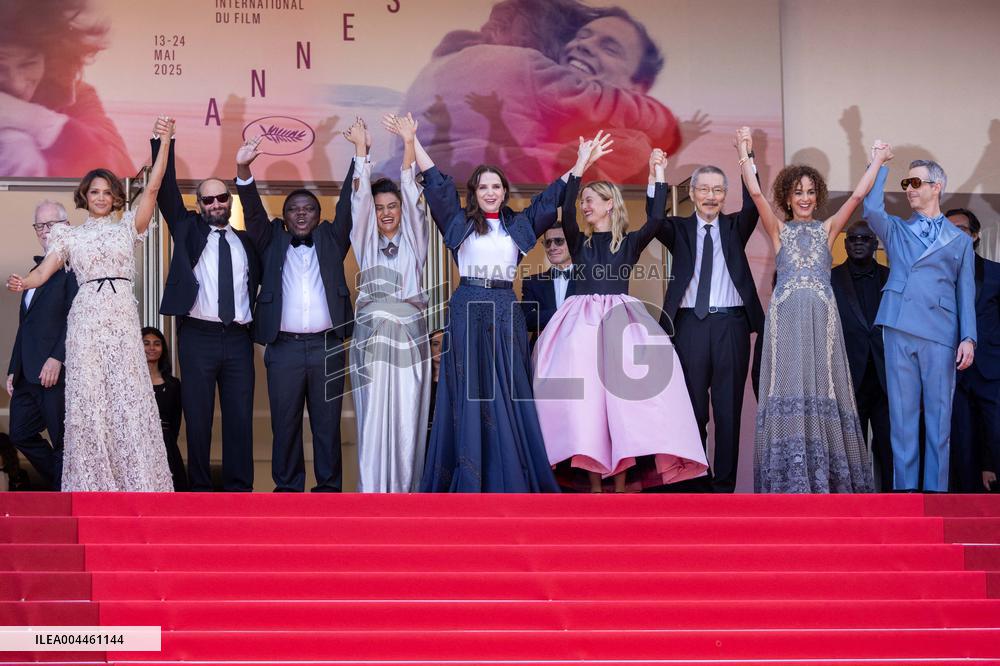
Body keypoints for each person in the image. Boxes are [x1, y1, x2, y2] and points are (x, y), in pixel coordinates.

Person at [415, 133, 603, 493]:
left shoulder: (519, 226)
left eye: (496, 186)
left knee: (507, 389)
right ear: (474, 191)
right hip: (467, 306)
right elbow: (437, 186)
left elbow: (551, 198)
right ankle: (469, 476)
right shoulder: (459, 223)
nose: (490, 192)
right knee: (470, 391)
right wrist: (413, 140)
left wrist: (580, 164)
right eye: (483, 186)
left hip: (504, 310)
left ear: (504, 191)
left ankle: (508, 476)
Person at [5, 117, 175, 492]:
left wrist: (165, 143)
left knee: (127, 395)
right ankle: (93, 483)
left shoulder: (128, 228)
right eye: (94, 191)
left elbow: (154, 189)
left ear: (116, 197)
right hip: (86, 319)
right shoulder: (69, 235)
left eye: (107, 192)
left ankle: (138, 481)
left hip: (120, 316)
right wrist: (23, 282)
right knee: (90, 398)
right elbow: (43, 273)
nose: (100, 197)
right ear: (85, 195)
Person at [533, 148, 708, 492]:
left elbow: (656, 221)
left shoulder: (628, 244)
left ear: (610, 204)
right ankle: (596, 485)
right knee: (587, 408)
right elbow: (565, 210)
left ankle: (623, 483)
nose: (585, 206)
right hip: (580, 328)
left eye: (593, 200)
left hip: (621, 327)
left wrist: (656, 175)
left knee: (624, 406)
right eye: (584, 200)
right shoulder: (578, 241)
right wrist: (579, 167)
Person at [738, 126, 881, 493]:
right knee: (786, 387)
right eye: (797, 192)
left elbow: (859, 194)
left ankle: (828, 478)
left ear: (818, 196)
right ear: (786, 196)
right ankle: (788, 479)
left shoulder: (829, 228)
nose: (804, 198)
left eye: (810, 191)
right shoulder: (778, 231)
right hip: (785, 322)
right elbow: (754, 191)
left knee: (824, 386)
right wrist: (744, 150)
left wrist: (877, 159)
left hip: (822, 321)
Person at [399, 0, 679, 184]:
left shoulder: (443, 63)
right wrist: (658, 115)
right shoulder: (527, 68)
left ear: (638, 85)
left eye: (609, 47)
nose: (584, 46)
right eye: (580, 37)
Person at [235, 124, 356, 493]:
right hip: (283, 348)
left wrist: (358, 156)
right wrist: (243, 171)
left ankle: (329, 489)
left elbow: (349, 203)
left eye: (308, 209)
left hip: (327, 347)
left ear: (318, 216)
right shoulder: (270, 239)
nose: (301, 215)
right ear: (285, 216)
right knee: (284, 423)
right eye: (294, 210)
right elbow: (253, 211)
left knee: (327, 423)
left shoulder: (333, 240)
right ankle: (287, 489)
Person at [152, 121, 261, 492]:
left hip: (239, 339)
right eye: (208, 199)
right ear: (198, 206)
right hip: (198, 336)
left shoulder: (247, 242)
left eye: (222, 198)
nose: (216, 204)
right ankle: (198, 493)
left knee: (239, 420)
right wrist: (163, 142)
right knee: (197, 420)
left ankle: (238, 492)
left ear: (230, 202)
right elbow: (165, 191)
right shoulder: (187, 228)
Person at [863, 153, 976, 492]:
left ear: (936, 186)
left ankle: (936, 491)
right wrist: (879, 166)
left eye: (915, 183)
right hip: (899, 327)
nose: (909, 190)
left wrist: (968, 337)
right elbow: (871, 210)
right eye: (905, 184)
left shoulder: (959, 241)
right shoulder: (896, 229)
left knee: (939, 418)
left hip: (941, 333)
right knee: (902, 415)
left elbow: (965, 291)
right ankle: (906, 491)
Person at [653, 158, 763, 493]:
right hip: (689, 326)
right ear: (692, 193)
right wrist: (658, 175)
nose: (711, 196)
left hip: (731, 325)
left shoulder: (734, 227)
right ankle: (696, 481)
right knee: (693, 410)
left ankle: (724, 486)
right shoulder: (678, 229)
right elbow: (655, 219)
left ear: (725, 194)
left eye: (718, 190)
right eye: (704, 189)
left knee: (728, 411)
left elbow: (753, 206)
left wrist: (746, 158)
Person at [349, 113, 431, 493]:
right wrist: (361, 150)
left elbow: (414, 197)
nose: (385, 212)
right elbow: (359, 205)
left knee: (407, 416)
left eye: (392, 206)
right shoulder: (365, 244)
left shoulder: (415, 242)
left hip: (409, 338)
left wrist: (409, 143)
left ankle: (405, 493)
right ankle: (372, 492)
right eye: (380, 207)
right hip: (371, 339)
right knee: (372, 415)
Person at [0, 0, 133, 178]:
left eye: (29, 64)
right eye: (0, 67)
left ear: (49, 59)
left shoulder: (79, 96)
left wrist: (30, 118)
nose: (16, 84)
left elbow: (120, 173)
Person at [5, 200, 77, 490]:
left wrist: (57, 358)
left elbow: (76, 318)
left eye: (52, 224)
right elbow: (26, 327)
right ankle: (64, 485)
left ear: (67, 226)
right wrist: (13, 369)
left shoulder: (74, 269)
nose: (45, 231)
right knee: (19, 433)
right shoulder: (32, 274)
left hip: (54, 371)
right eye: (40, 225)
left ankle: (64, 500)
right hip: (27, 374)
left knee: (62, 440)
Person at [830, 220, 892, 490]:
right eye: (852, 238)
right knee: (848, 452)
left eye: (864, 238)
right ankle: (852, 509)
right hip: (846, 378)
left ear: (875, 244)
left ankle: (894, 505)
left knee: (889, 448)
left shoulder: (892, 277)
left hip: (886, 379)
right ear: (844, 244)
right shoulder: (829, 279)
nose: (857, 242)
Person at [945, 208, 999, 492]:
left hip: (992, 373)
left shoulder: (995, 273)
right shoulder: (938, 276)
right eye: (949, 228)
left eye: (961, 229)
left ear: (975, 236)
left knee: (997, 435)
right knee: (962, 445)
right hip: (954, 374)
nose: (954, 233)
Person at [142, 326, 188, 492]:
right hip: (139, 444)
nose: (152, 348)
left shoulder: (173, 384)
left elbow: (176, 421)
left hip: (166, 445)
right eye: (146, 343)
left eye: (157, 343)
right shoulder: (129, 385)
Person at [521, 225, 576, 346]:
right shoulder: (531, 282)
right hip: (542, 354)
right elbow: (526, 320)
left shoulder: (588, 280)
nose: (552, 247)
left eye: (559, 241)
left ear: (572, 242)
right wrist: (566, 313)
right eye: (547, 242)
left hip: (579, 352)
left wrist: (544, 315)